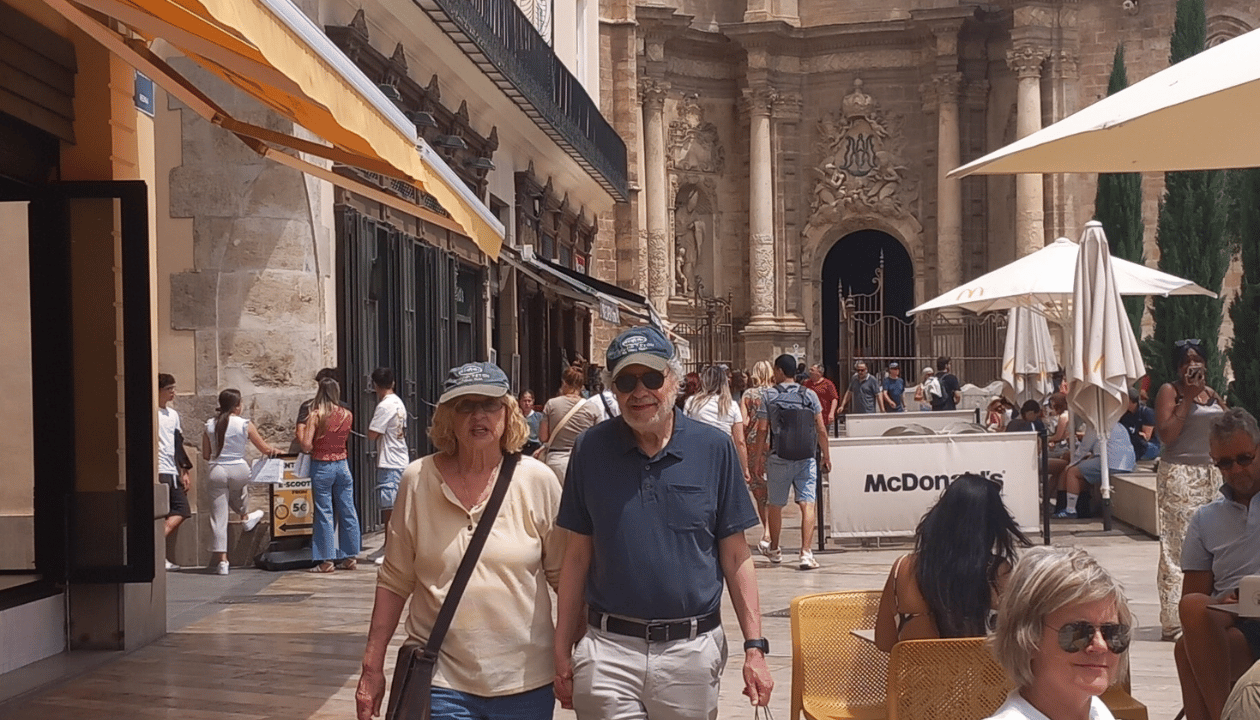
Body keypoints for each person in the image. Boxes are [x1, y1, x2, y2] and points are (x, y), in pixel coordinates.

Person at [553, 326, 773, 718]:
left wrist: (754, 648)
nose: (640, 392)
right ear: (613, 389)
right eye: (626, 381)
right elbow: (576, 556)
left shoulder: (713, 448)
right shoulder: (590, 449)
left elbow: (736, 556)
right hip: (608, 651)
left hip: (690, 650)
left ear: (675, 380)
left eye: (652, 378)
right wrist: (561, 648)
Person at [354, 362, 564, 720]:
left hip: (525, 683)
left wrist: (573, 657)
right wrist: (371, 668)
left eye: (490, 404)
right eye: (465, 405)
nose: (478, 416)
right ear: (448, 416)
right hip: (440, 679)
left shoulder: (537, 481)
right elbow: (394, 580)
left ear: (508, 413)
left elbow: (566, 578)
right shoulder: (417, 480)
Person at [874, 474, 1030, 652]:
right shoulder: (1001, 573)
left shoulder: (903, 568)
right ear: (992, 525)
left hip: (919, 670)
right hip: (979, 670)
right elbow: (1018, 645)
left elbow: (884, 642)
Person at [1174, 407, 1260, 720]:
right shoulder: (1206, 519)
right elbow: (1192, 600)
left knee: (1184, 652)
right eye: (1225, 463)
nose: (1235, 469)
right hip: (1235, 618)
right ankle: (1227, 715)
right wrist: (1223, 601)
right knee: (1193, 607)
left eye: (1244, 458)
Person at [986, 545, 1133, 720]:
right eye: (1078, 633)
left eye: (1112, 633)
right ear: (1028, 640)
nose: (1101, 645)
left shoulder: (1097, 711)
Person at [1155, 338, 1227, 640]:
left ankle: (1210, 608)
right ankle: (1174, 619)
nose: (1192, 365)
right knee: (1179, 546)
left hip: (1213, 474)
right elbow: (1167, 434)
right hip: (1180, 475)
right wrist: (1187, 398)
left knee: (1215, 543)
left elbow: (1229, 424)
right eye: (1186, 361)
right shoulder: (1170, 391)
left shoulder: (1211, 394)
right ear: (1178, 367)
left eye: (1197, 359)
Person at [751, 353, 833, 570]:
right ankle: (805, 553)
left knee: (776, 505)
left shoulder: (769, 395)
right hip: (806, 458)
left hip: (779, 457)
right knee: (807, 504)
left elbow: (762, 430)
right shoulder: (809, 394)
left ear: (779, 371)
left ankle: (775, 549)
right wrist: (826, 455)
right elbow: (821, 429)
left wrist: (758, 458)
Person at [202, 389, 277, 575]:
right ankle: (245, 516)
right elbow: (265, 449)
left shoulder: (209, 425)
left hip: (217, 469)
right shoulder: (244, 424)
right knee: (240, 489)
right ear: (237, 406)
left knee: (218, 517)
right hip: (239, 468)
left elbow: (205, 454)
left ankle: (222, 562)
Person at [298, 378, 361, 573]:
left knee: (324, 511)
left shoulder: (316, 415)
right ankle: (350, 556)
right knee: (348, 508)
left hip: (322, 464)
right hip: (342, 464)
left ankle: (326, 560)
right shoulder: (347, 414)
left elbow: (306, 445)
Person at [1051, 422, 1136, 520]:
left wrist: (1071, 464)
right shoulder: (1119, 425)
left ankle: (1070, 510)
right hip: (1128, 464)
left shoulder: (1095, 426)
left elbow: (1084, 448)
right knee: (1084, 470)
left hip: (1110, 462)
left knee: (1072, 472)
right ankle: (1084, 508)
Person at [367, 367, 408, 565]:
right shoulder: (398, 402)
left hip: (390, 460)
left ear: (375, 385)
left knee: (390, 508)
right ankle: (387, 545)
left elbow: (373, 433)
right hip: (399, 457)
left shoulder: (385, 406)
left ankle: (391, 549)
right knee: (393, 506)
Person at [685, 365, 752, 478]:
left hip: (698, 455)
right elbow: (740, 441)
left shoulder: (692, 402)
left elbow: (684, 430)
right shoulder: (732, 406)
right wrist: (745, 468)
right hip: (724, 455)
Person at [538, 365, 601, 484]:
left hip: (556, 461)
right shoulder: (593, 408)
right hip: (583, 461)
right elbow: (598, 439)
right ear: (581, 386)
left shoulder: (551, 404)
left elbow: (543, 437)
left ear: (564, 383)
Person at [157, 373, 193, 571]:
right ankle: (155, 553)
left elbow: (178, 443)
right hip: (159, 469)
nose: (173, 393)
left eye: (173, 388)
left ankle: (153, 549)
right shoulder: (152, 413)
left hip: (172, 469)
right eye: (168, 389)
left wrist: (184, 470)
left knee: (181, 510)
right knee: (162, 512)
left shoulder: (173, 415)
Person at [741, 360, 775, 551]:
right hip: (774, 443)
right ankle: (773, 531)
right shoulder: (776, 393)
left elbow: (744, 421)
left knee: (760, 490)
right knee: (774, 489)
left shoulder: (749, 395)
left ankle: (767, 530)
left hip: (754, 445)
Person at [291, 367, 341, 453]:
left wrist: (309, 450)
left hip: (315, 452)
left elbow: (300, 431)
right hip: (337, 454)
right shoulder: (345, 410)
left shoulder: (308, 406)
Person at [1119, 386, 1160, 461]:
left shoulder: (1146, 413)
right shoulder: (1125, 415)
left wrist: (1136, 434)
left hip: (1149, 447)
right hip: (1131, 445)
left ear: (1131, 401)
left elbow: (1146, 437)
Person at [520, 389, 543, 456]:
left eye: (529, 401)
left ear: (533, 401)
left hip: (535, 449)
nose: (527, 403)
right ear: (520, 402)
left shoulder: (539, 417)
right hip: (520, 449)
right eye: (524, 401)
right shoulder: (516, 418)